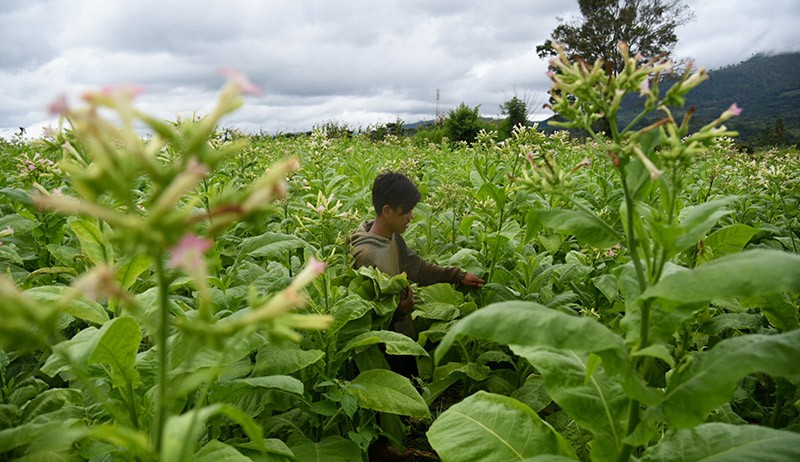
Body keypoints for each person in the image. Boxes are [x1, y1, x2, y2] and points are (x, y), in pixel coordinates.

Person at [349, 172, 485, 338]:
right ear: (387, 211)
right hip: (386, 350)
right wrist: (399, 312)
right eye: (406, 211)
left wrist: (458, 275)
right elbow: (363, 318)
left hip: (403, 335)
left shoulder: (391, 236)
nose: (411, 216)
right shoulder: (365, 255)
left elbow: (417, 268)